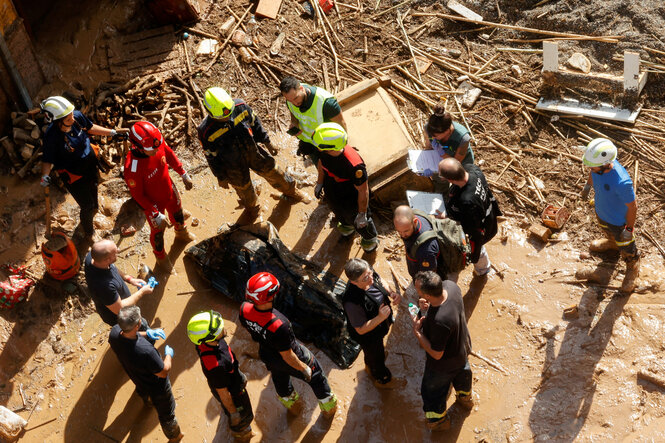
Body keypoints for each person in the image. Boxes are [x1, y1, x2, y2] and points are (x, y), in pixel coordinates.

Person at [197, 87, 310, 226]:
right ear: (210, 113)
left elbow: (256, 124)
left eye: (229, 114)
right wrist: (221, 177)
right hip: (232, 165)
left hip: (253, 151)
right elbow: (211, 157)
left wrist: (268, 142)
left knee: (275, 173)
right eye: (223, 117)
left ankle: (291, 191)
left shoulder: (240, 106)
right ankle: (253, 209)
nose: (228, 118)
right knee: (244, 190)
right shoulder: (205, 131)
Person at [238, 272, 338, 418]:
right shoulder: (279, 324)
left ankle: (293, 407)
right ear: (271, 296)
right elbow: (288, 355)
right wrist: (304, 368)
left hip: (267, 354)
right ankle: (329, 410)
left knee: (279, 379)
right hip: (289, 355)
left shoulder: (243, 309)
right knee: (317, 377)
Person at [40, 96, 127, 239]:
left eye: (72, 116)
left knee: (94, 187)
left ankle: (95, 210)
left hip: (90, 166)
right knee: (85, 205)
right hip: (73, 176)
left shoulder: (77, 117)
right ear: (57, 122)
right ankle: (89, 232)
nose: (73, 120)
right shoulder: (52, 137)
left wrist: (112, 132)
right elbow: (47, 160)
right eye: (68, 120)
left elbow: (91, 127)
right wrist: (44, 176)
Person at [124, 121, 195, 263]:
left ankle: (181, 234)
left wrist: (183, 173)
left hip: (168, 189)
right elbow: (138, 195)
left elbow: (169, 154)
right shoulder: (132, 168)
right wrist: (154, 213)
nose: (157, 151)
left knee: (178, 213)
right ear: (138, 147)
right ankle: (161, 257)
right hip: (153, 204)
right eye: (152, 150)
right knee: (158, 233)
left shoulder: (155, 143)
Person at [109, 306, 182, 442]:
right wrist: (168, 355)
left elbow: (128, 334)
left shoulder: (114, 333)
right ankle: (175, 437)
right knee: (167, 415)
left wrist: (148, 334)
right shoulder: (146, 351)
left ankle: (148, 403)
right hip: (158, 388)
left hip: (137, 378)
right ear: (138, 325)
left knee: (144, 392)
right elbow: (164, 372)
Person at [412, 271, 473, 431]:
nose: (416, 290)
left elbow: (436, 353)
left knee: (431, 393)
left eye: (418, 289)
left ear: (427, 294)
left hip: (443, 365)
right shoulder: (451, 287)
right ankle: (465, 399)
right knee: (463, 376)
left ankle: (438, 422)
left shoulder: (438, 321)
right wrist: (428, 304)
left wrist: (418, 333)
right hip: (461, 348)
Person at [577, 138, 640, 293]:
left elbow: (633, 207)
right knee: (606, 229)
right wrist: (587, 186)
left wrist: (629, 229)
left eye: (591, 165)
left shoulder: (621, 182)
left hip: (619, 222)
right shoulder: (596, 168)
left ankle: (633, 267)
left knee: (627, 246)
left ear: (605, 164)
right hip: (602, 212)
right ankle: (612, 243)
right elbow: (592, 174)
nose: (588, 167)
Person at [311, 123, 378, 253]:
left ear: (330, 147)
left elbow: (363, 191)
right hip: (333, 191)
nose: (317, 149)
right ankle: (347, 227)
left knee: (362, 224)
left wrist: (362, 213)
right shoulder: (324, 152)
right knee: (338, 212)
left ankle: (370, 242)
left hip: (351, 198)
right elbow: (321, 165)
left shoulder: (354, 165)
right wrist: (319, 183)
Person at [187, 311, 253, 441]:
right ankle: (241, 434)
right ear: (210, 337)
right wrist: (234, 413)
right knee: (244, 416)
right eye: (219, 329)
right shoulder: (215, 366)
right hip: (233, 393)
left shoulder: (205, 343)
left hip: (229, 377)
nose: (223, 328)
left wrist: (238, 373)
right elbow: (224, 394)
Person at [342, 258, 405, 389]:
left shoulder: (367, 272)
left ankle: (369, 364)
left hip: (380, 324)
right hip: (368, 335)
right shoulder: (352, 302)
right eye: (365, 278)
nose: (370, 279)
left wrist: (391, 293)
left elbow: (379, 279)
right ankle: (382, 379)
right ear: (354, 282)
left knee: (375, 353)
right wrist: (380, 318)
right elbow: (360, 329)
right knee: (376, 359)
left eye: (370, 273)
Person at [438, 158, 501, 277]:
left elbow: (469, 227)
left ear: (450, 180)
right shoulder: (473, 169)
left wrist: (446, 216)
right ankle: (484, 267)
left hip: (481, 228)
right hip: (488, 214)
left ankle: (483, 269)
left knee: (477, 248)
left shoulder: (467, 201)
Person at [84, 239, 156, 332]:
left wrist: (129, 279)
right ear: (107, 259)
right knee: (140, 329)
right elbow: (120, 308)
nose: (118, 250)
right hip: (122, 316)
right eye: (115, 252)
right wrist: (142, 292)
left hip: (116, 301)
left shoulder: (93, 257)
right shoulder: (104, 285)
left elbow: (112, 267)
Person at [279, 76, 346, 164]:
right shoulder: (290, 99)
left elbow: (342, 124)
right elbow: (293, 114)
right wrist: (294, 123)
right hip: (309, 141)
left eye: (296, 98)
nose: (294, 103)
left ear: (301, 89)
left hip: (327, 146)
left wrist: (342, 148)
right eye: (289, 100)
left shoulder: (327, 103)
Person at [423, 104, 475, 195]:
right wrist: (425, 164)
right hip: (439, 159)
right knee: (440, 180)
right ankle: (443, 195)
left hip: (461, 162)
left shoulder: (463, 138)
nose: (433, 138)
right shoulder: (428, 128)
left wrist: (441, 153)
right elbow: (428, 147)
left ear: (447, 131)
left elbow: (455, 163)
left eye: (436, 136)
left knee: (460, 185)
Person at [393, 205, 443, 279]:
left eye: (406, 231)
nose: (403, 235)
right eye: (399, 231)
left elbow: (428, 276)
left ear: (415, 221)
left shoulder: (425, 249)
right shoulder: (415, 215)